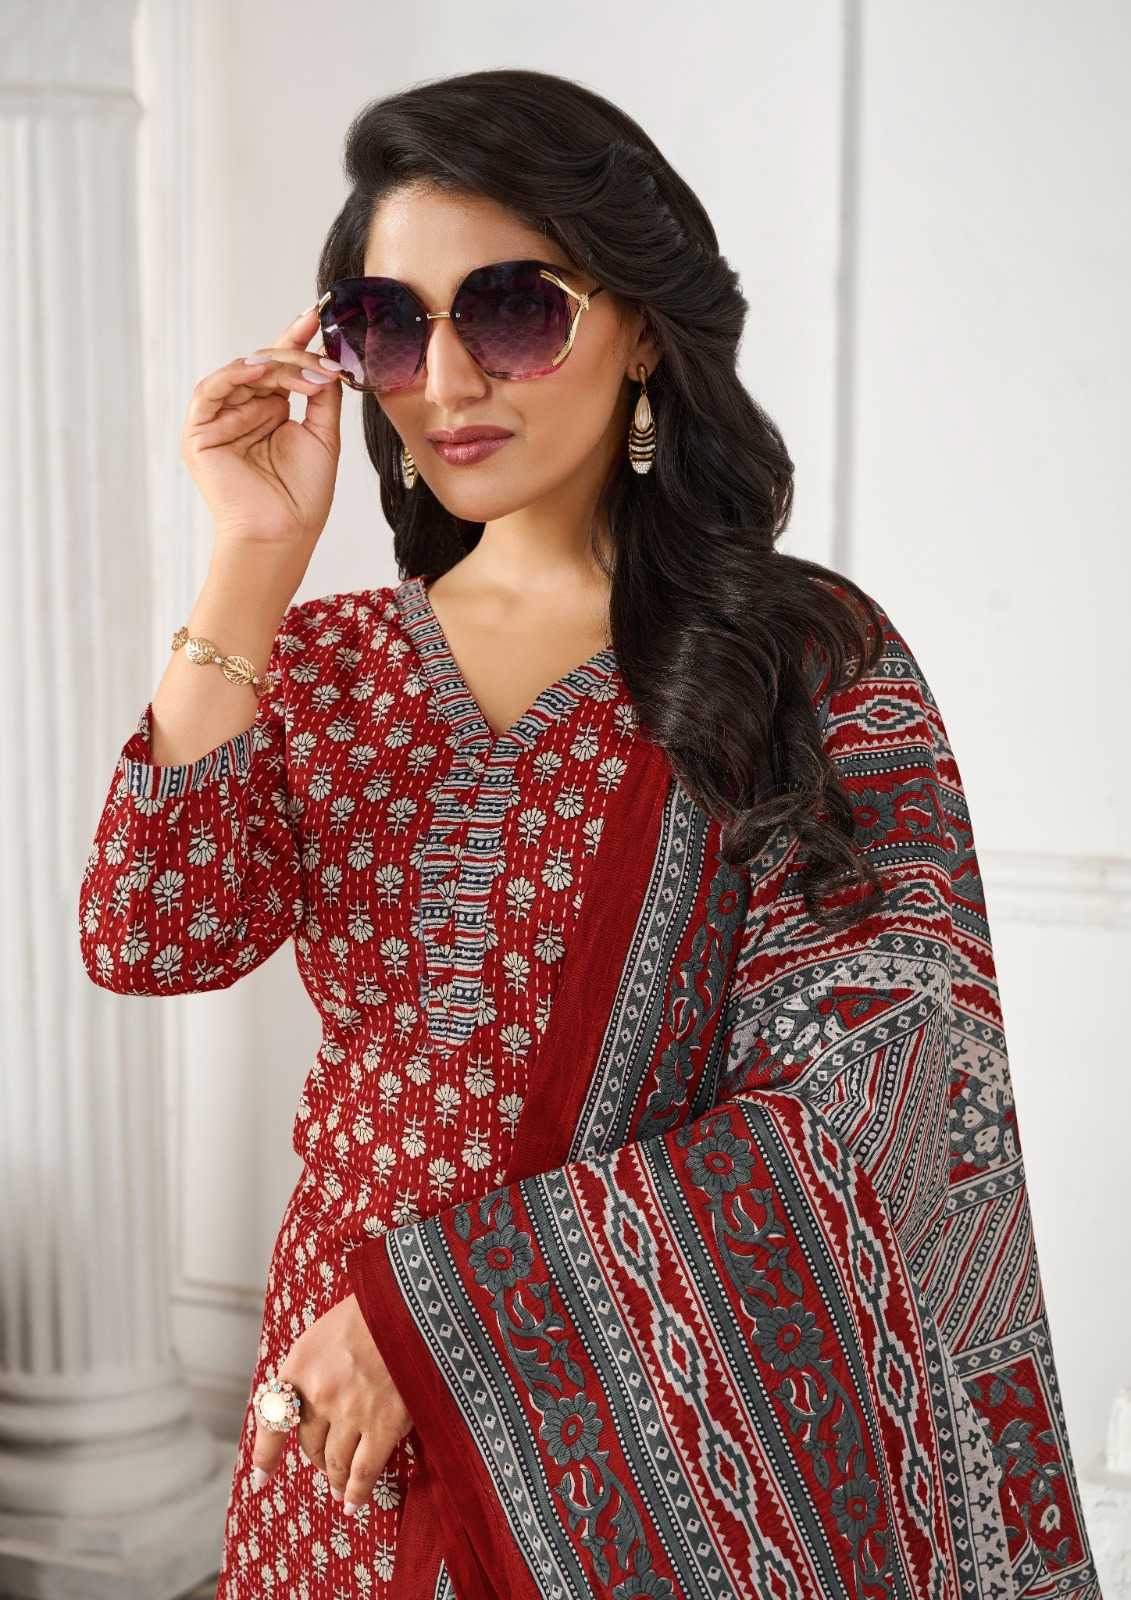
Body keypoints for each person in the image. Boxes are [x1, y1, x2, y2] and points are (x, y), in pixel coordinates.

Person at [77, 67, 1103, 1600]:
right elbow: (149, 935)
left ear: (640, 326)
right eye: (388, 326)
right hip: (333, 1435)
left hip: (632, 1460)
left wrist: (436, 1319)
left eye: (510, 310)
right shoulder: (332, 660)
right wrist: (249, 558)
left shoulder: (800, 660)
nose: (446, 376)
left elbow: (892, 1101)